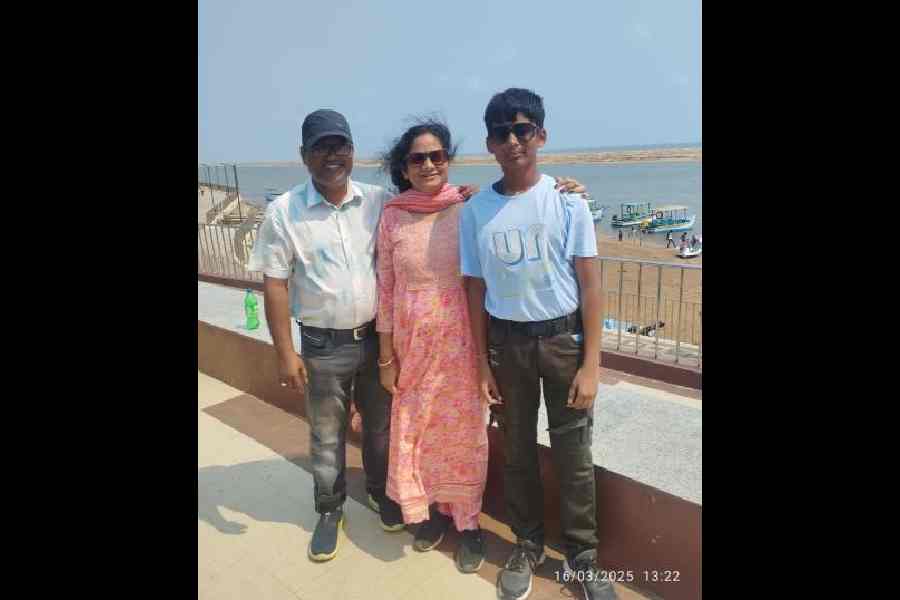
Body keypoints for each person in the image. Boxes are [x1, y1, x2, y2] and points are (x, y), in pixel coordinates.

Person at [460, 88, 618, 600]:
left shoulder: (568, 202)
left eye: (522, 129)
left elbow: (591, 286)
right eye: (502, 132)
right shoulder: (476, 211)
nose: (513, 140)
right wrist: (482, 365)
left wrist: (591, 365)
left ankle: (582, 556)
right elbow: (474, 290)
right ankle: (526, 544)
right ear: (490, 143)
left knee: (574, 454)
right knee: (518, 452)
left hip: (562, 343)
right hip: (507, 347)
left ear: (541, 136)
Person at [375, 119, 489, 573]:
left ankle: (469, 523)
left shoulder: (468, 206)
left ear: (448, 160)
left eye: (436, 156)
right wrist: (386, 357)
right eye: (418, 158)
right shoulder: (392, 216)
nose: (428, 165)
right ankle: (433, 514)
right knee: (418, 432)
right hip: (412, 349)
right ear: (404, 168)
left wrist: (566, 190)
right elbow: (386, 288)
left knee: (464, 434)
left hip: (462, 345)